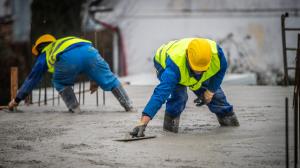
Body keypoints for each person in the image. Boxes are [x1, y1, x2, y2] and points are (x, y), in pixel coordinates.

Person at [130, 37, 239, 137]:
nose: (198, 72)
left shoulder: (217, 56)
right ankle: (170, 128)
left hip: (187, 64)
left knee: (217, 97)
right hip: (164, 61)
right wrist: (143, 122)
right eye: (196, 68)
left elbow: (220, 71)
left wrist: (210, 92)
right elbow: (160, 94)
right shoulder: (173, 68)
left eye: (202, 69)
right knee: (179, 97)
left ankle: (229, 122)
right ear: (187, 57)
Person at [8, 34, 134, 113]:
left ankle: (75, 108)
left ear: (39, 48)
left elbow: (32, 79)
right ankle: (129, 106)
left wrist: (17, 99)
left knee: (60, 82)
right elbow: (84, 59)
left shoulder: (46, 53)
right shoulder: (64, 41)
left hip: (68, 58)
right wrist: (95, 79)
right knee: (110, 79)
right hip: (90, 51)